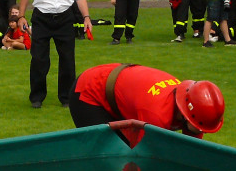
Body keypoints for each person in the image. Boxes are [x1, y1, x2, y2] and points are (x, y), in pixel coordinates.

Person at [17, 0, 93, 109]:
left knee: (67, 59)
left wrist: (86, 17)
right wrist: (21, 16)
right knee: (39, 59)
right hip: (42, 18)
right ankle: (37, 97)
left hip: (65, 18)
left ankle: (66, 98)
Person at [68, 63, 224, 147]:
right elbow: (143, 156)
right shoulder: (157, 116)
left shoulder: (188, 101)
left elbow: (193, 149)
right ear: (187, 116)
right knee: (108, 154)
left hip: (120, 89)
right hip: (89, 92)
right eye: (199, 127)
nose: (201, 132)